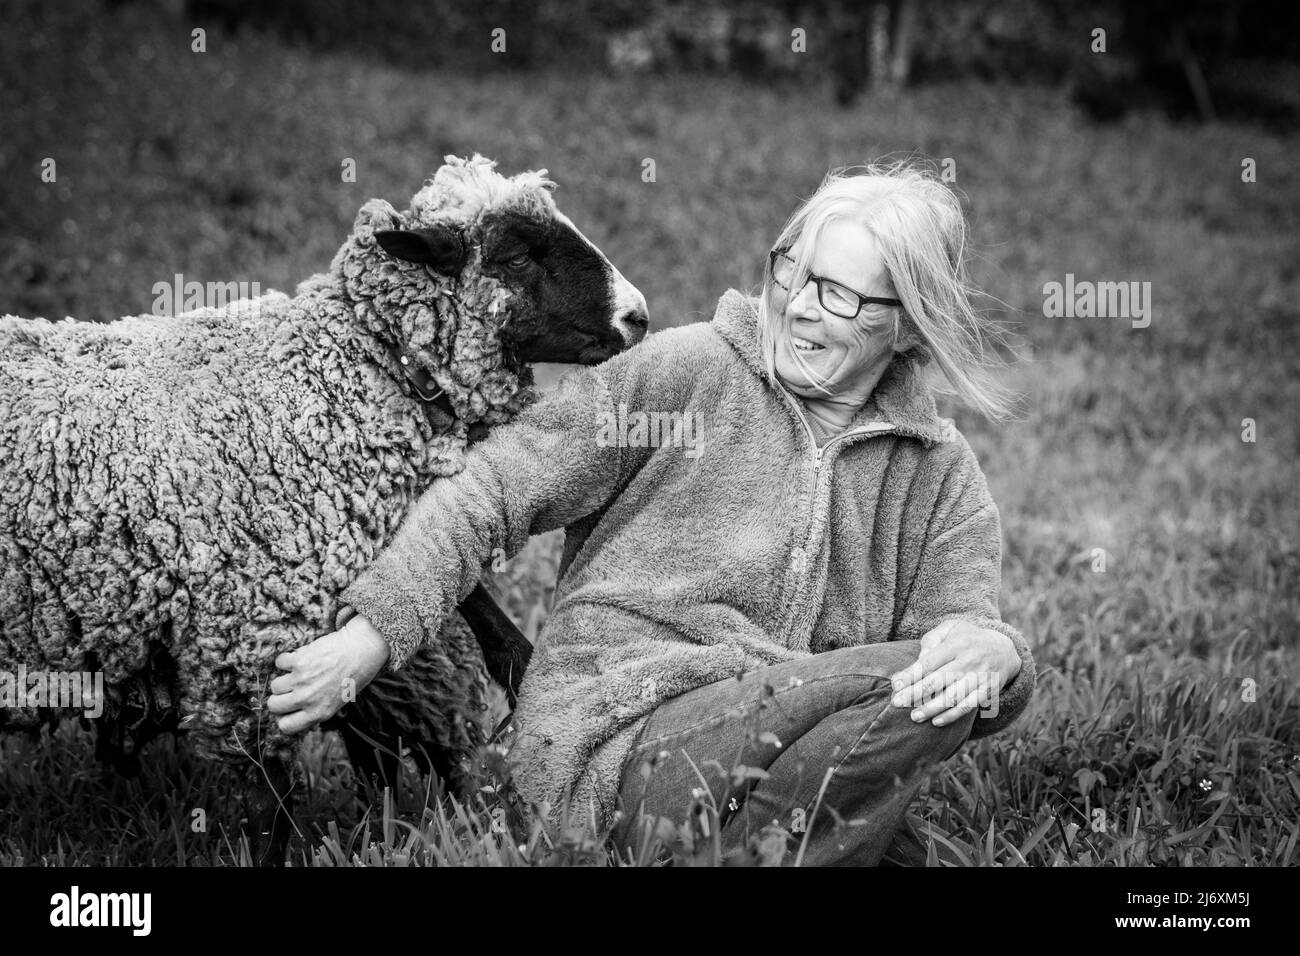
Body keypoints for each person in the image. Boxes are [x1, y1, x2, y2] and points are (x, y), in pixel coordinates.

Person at [267, 160, 1036, 866]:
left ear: (906, 323)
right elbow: (490, 489)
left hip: (801, 750)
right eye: (791, 273)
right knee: (900, 698)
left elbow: (960, 630)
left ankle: (757, 847)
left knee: (935, 691)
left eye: (837, 293)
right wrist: (370, 637)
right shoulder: (688, 373)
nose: (798, 309)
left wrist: (994, 655)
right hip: (621, 741)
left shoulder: (938, 473)